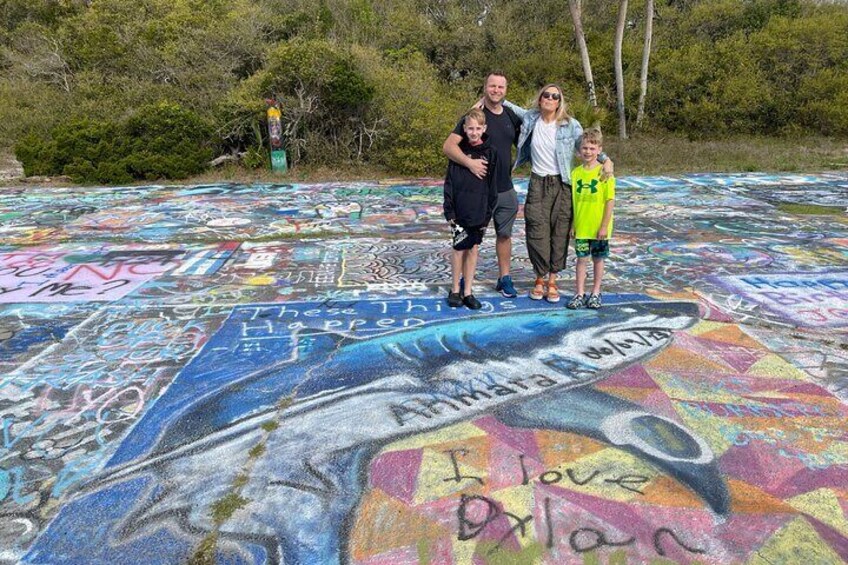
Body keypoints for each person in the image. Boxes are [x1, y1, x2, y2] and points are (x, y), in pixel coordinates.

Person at [504, 84, 613, 303]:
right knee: (536, 229)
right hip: (537, 182)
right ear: (540, 98)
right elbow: (507, 104)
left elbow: (589, 144)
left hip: (562, 183)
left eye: (555, 96)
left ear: (559, 101)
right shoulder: (530, 119)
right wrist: (486, 100)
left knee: (560, 231)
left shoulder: (570, 125)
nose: (550, 99)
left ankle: (552, 280)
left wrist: (606, 160)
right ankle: (539, 278)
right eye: (547, 95)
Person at [443, 72, 522, 298]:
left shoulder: (511, 117)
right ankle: (461, 284)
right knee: (470, 240)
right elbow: (448, 147)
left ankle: (504, 278)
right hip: (477, 191)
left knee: (504, 235)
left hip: (504, 188)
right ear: (485, 87)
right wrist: (471, 164)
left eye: (500, 87)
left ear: (506, 91)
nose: (496, 90)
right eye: (492, 86)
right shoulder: (474, 116)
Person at [443, 109, 498, 310]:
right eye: (470, 129)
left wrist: (487, 215)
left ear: (484, 129)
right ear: (464, 129)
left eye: (477, 129)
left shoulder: (491, 152)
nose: (474, 132)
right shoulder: (458, 153)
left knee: (473, 248)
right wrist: (449, 211)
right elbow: (449, 182)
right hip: (459, 210)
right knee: (459, 248)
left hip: (479, 211)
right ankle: (455, 289)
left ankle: (468, 291)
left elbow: (493, 187)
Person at [566, 128, 615, 310]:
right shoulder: (576, 173)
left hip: (598, 228)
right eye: (585, 148)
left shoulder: (605, 173)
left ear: (599, 150)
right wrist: (573, 224)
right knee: (581, 260)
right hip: (581, 226)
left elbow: (609, 201)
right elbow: (573, 201)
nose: (588, 152)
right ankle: (579, 293)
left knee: (598, 260)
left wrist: (604, 226)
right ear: (579, 151)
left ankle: (595, 292)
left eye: (592, 148)